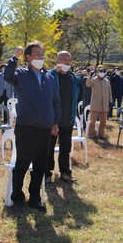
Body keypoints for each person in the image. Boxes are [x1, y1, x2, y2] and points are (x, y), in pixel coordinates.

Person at [4, 42, 60, 212]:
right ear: (28, 57)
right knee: (22, 163)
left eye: (43, 54)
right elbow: (7, 76)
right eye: (37, 54)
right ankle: (17, 197)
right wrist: (14, 57)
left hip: (45, 127)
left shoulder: (49, 77)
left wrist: (55, 122)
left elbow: (56, 102)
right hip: (27, 126)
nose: (41, 57)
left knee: (40, 165)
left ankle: (34, 198)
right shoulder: (20, 74)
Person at [47, 51, 80, 183]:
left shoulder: (74, 78)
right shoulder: (51, 76)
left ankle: (65, 172)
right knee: (49, 147)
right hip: (52, 119)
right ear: (57, 60)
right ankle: (46, 173)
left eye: (69, 60)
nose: (66, 62)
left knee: (65, 147)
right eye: (63, 59)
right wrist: (55, 71)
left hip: (67, 118)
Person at [86, 65, 112, 140]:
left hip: (105, 104)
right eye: (100, 71)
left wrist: (110, 101)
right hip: (95, 104)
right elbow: (88, 85)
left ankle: (101, 135)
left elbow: (109, 92)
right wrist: (90, 76)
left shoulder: (106, 81)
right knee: (93, 121)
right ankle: (91, 134)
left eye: (103, 71)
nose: (102, 73)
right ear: (97, 72)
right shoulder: (94, 80)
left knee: (103, 122)